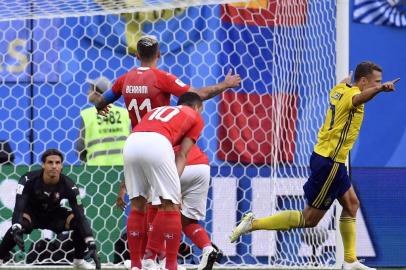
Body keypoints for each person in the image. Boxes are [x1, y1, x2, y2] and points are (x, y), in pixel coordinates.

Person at [229, 61, 400, 270]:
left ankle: (350, 261)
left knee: (351, 204)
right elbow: (358, 98)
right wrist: (380, 90)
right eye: (376, 81)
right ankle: (253, 224)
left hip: (331, 160)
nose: (379, 84)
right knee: (309, 219)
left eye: (380, 82)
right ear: (363, 81)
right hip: (329, 163)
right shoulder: (352, 95)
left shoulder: (340, 89)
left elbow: (347, 86)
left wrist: (351, 82)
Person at [95, 35, 240, 270]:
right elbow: (197, 95)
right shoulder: (162, 78)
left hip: (136, 140)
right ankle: (166, 262)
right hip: (163, 142)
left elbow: (103, 99)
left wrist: (100, 107)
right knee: (168, 204)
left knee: (141, 205)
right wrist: (225, 85)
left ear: (136, 55)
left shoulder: (124, 79)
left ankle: (141, 262)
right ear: (159, 54)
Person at [123, 92, 204, 270]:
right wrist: (174, 184)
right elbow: (182, 154)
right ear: (198, 108)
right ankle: (171, 266)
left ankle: (136, 265)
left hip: (132, 142)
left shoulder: (158, 110)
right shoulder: (195, 117)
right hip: (158, 143)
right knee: (171, 204)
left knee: (137, 204)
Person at [117, 144, 222, 270]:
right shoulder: (187, 126)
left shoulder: (152, 130)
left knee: (155, 207)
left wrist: (124, 185)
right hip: (201, 167)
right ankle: (207, 248)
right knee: (188, 221)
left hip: (174, 166)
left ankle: (152, 259)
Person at [0, 149, 101, 269]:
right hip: (32, 214)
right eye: (50, 162)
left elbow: (80, 214)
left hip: (54, 215)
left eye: (58, 163)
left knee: (77, 221)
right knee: (17, 225)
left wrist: (90, 241)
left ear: (62, 165)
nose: (54, 166)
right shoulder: (28, 180)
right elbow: (19, 208)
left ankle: (78, 261)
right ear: (43, 164)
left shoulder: (69, 185)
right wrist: (16, 227)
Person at [77, 76, 130, 165]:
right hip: (123, 168)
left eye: (90, 89)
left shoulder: (87, 115)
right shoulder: (125, 113)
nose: (87, 92)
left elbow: (80, 147)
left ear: (98, 93)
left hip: (96, 169)